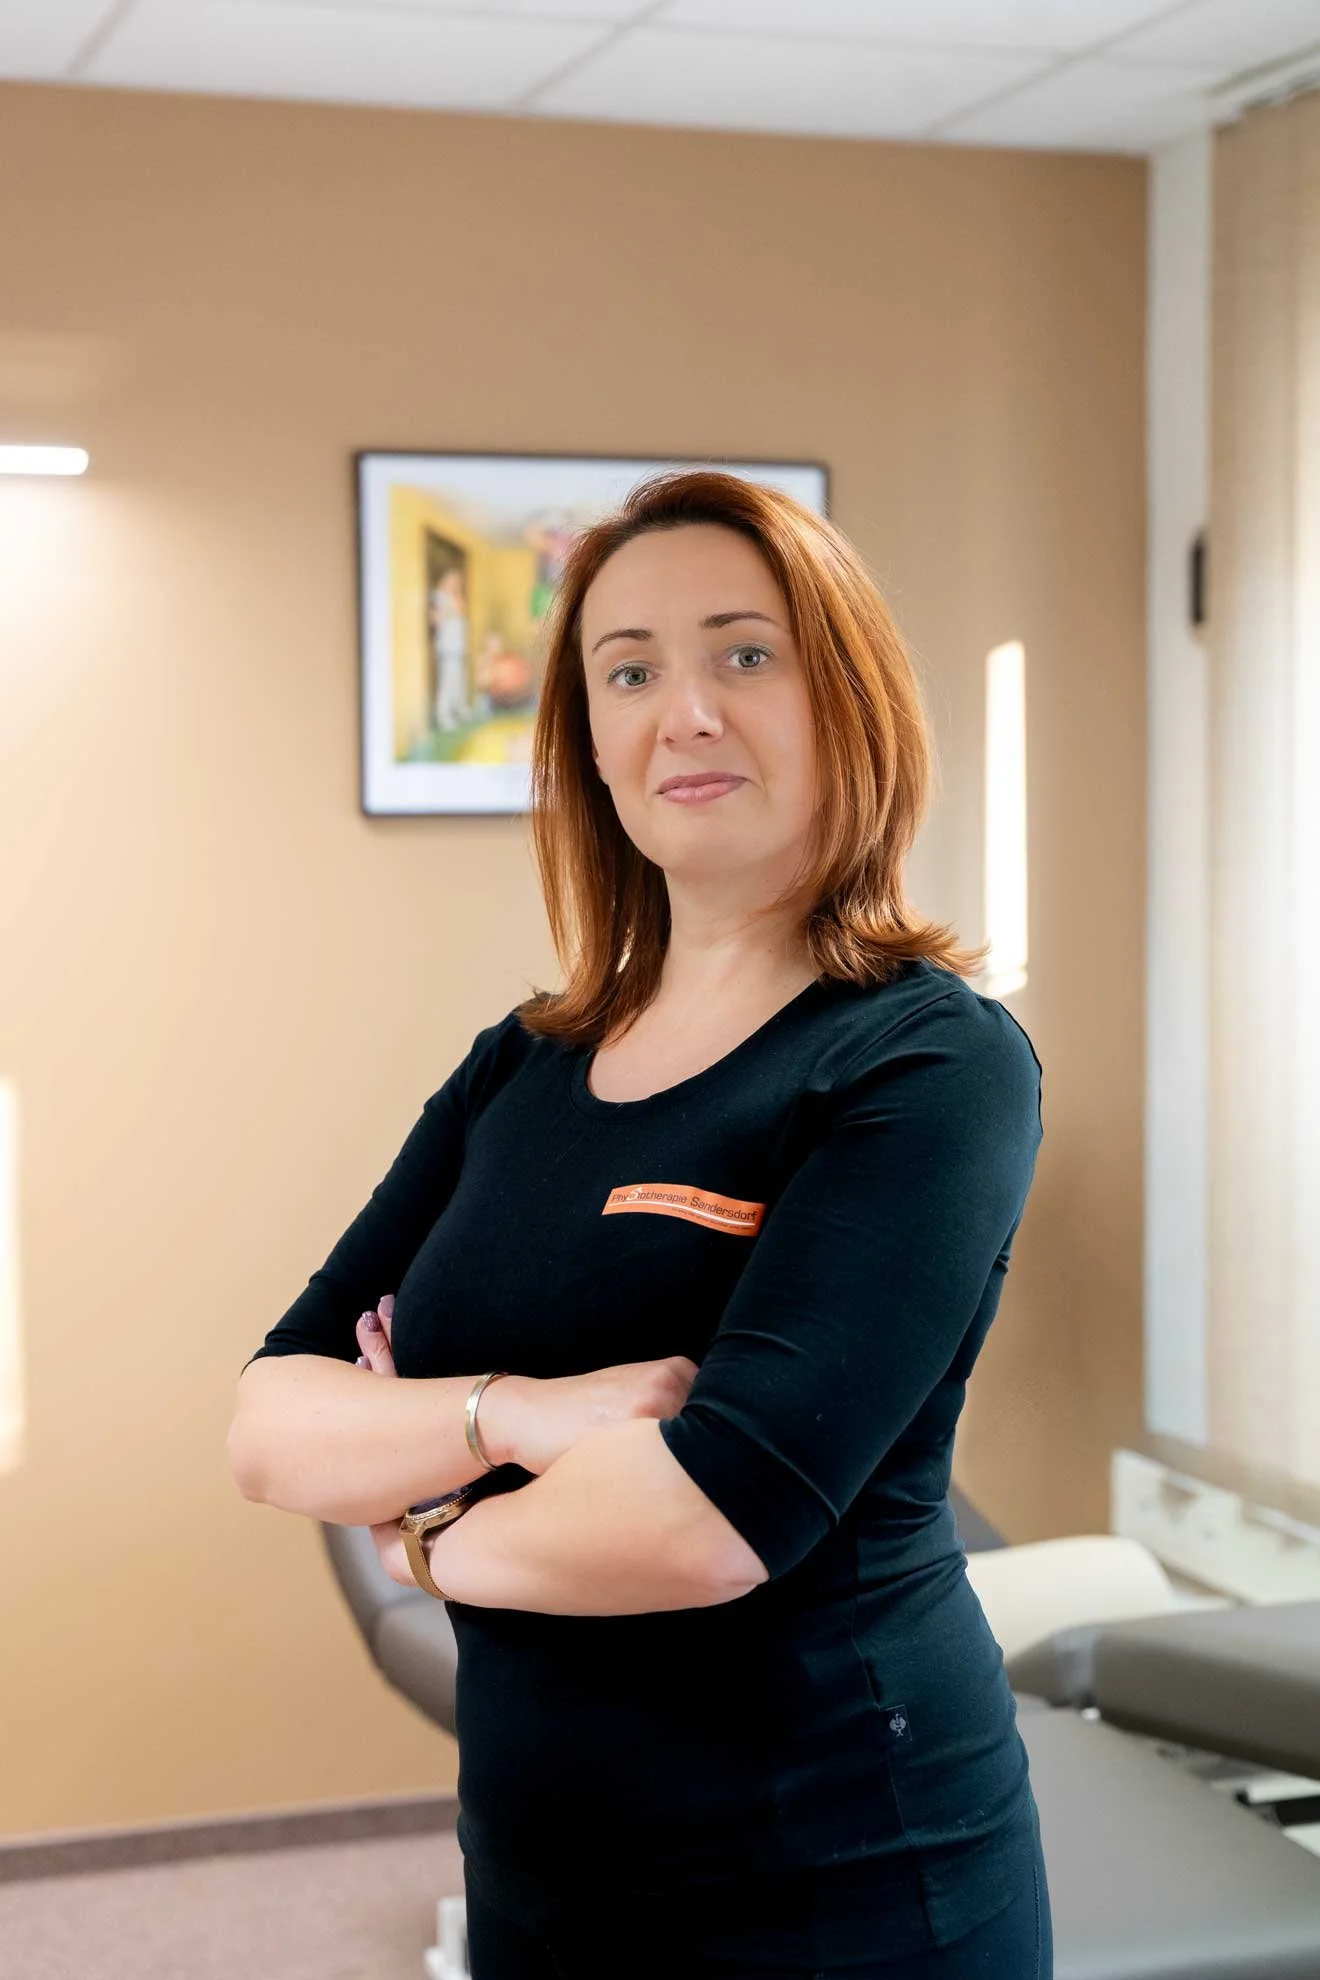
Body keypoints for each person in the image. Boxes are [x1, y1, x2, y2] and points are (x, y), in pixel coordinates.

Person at [228, 469, 1053, 1980]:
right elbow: (273, 1424)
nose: (686, 712)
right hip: (544, 1865)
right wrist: (521, 1419)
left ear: (846, 699)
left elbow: (711, 1521)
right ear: (591, 738)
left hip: (844, 1876)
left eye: (746, 653)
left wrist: (422, 1536)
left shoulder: (925, 1061)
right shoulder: (525, 1062)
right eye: (630, 670)